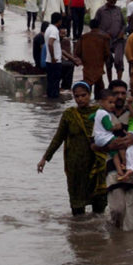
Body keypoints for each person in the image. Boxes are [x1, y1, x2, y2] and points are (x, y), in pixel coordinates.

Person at [37, 82, 107, 216]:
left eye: (83, 95)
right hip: (75, 166)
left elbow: (110, 134)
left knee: (99, 207)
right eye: (77, 96)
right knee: (77, 207)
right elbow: (58, 138)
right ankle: (77, 233)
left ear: (90, 95)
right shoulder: (69, 114)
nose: (80, 99)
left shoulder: (100, 113)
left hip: (96, 164)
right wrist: (44, 158)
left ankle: (97, 233)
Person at [92, 90, 126, 181]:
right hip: (105, 137)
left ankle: (119, 171)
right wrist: (117, 127)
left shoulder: (98, 112)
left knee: (114, 155)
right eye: (110, 102)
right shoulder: (105, 114)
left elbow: (90, 118)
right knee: (121, 144)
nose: (112, 105)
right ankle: (125, 162)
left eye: (114, 103)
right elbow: (109, 127)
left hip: (98, 138)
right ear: (101, 102)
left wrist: (97, 124)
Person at [75, 19, 111, 99]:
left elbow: (77, 52)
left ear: (90, 26)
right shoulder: (105, 37)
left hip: (87, 68)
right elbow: (107, 53)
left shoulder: (84, 37)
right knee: (99, 93)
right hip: (99, 68)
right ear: (99, 26)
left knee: (86, 89)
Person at [95, 0, 126, 82]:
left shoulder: (118, 10)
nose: (113, 3)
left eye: (115, 1)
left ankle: (119, 81)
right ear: (107, 0)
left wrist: (122, 33)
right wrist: (102, 34)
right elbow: (95, 26)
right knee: (108, 62)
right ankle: (110, 82)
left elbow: (124, 24)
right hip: (106, 41)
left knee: (119, 60)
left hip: (118, 40)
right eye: (111, 1)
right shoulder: (100, 11)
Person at [44, 13, 63, 98]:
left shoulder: (48, 28)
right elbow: (50, 43)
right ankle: (54, 102)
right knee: (55, 83)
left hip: (49, 60)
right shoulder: (54, 30)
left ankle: (50, 102)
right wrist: (53, 57)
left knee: (51, 82)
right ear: (59, 21)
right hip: (54, 61)